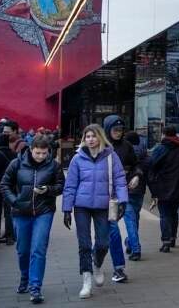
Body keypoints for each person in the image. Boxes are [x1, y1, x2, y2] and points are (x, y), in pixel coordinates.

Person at [62, 124, 128, 299]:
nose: (90, 139)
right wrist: (67, 209)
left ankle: (97, 263)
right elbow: (70, 185)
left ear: (100, 137)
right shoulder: (77, 158)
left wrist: (123, 200)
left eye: (93, 136)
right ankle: (86, 281)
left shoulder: (111, 156)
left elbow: (120, 179)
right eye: (87, 136)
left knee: (103, 243)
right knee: (84, 244)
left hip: (103, 205)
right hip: (81, 206)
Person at [0, 136, 65, 304]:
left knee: (38, 249)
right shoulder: (16, 163)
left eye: (44, 153)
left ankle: (35, 287)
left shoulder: (54, 165)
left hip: (44, 212)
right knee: (23, 250)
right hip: (21, 212)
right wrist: (15, 201)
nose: (41, 156)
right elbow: (4, 185)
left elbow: (60, 186)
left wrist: (48, 190)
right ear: (31, 149)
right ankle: (24, 277)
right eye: (38, 153)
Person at [103, 115, 139, 283]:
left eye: (120, 130)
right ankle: (98, 258)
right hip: (101, 197)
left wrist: (136, 175)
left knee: (115, 232)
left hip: (120, 194)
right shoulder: (100, 146)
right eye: (115, 130)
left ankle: (118, 268)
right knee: (109, 235)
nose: (118, 133)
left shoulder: (127, 146)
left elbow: (136, 164)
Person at [147, 126, 179, 253]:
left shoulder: (161, 148)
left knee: (164, 214)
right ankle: (172, 238)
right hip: (178, 186)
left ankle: (165, 241)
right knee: (173, 213)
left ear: (164, 135)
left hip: (164, 186)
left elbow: (152, 165)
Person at [123, 131, 147, 261]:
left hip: (127, 190)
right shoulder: (145, 155)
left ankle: (135, 248)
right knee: (134, 219)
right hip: (140, 192)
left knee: (129, 221)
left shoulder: (125, 153)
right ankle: (130, 242)